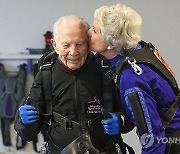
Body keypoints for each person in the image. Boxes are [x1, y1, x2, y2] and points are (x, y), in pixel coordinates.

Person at [14, 15, 127, 154]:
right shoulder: (46, 73)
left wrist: (121, 122)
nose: (73, 52)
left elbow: (129, 113)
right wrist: (25, 123)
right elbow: (28, 134)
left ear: (88, 43)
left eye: (79, 44)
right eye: (66, 45)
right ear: (55, 45)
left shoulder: (105, 69)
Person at [88, 3, 180, 154]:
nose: (88, 33)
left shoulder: (132, 78)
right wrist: (124, 119)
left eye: (94, 30)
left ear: (111, 44)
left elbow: (153, 140)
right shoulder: (142, 50)